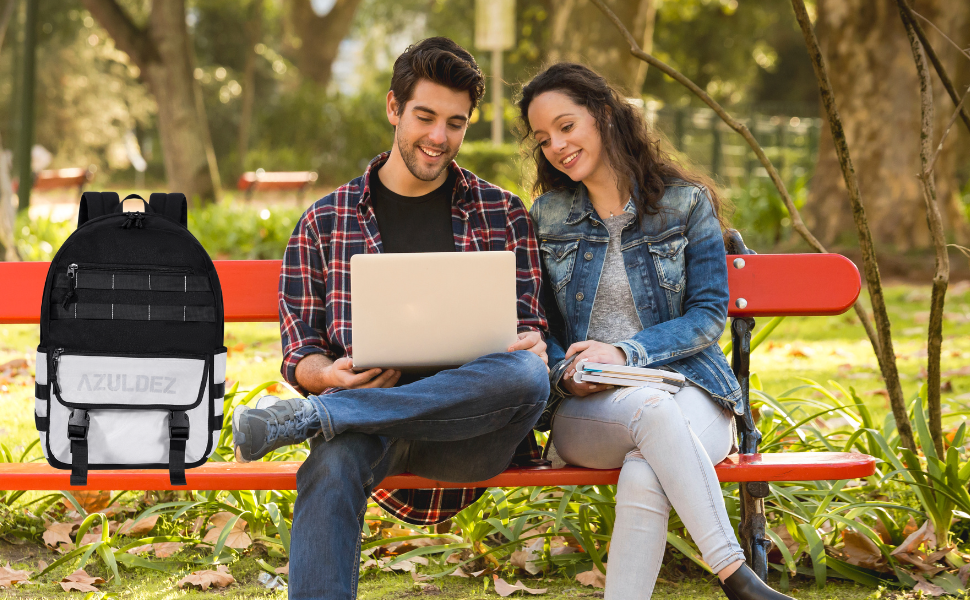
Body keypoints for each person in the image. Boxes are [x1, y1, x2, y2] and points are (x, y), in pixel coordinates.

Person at [232, 38, 551, 600]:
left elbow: (530, 332)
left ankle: (315, 418)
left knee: (527, 376)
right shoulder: (323, 221)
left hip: (470, 434)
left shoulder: (503, 213)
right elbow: (299, 351)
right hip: (366, 433)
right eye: (425, 117)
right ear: (393, 109)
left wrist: (533, 344)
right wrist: (326, 378)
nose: (438, 137)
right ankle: (335, 413)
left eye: (456, 123)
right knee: (330, 468)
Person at [518, 62, 795, 600]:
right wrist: (566, 371)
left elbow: (709, 314)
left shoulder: (684, 204)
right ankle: (737, 577)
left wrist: (627, 352)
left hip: (692, 392)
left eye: (566, 126)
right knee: (649, 412)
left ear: (602, 114)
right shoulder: (547, 217)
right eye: (543, 137)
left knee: (648, 461)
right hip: (591, 409)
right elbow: (537, 324)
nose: (556, 145)